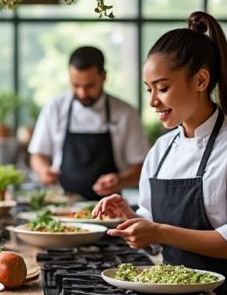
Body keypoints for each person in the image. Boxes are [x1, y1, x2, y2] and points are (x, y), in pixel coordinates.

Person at [93, 12, 227, 295]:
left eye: (162, 88)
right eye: (148, 88)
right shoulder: (162, 150)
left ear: (201, 81)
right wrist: (131, 220)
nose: (152, 100)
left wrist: (159, 232)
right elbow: (154, 242)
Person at [28, 46, 149, 200]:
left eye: (89, 86)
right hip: (64, 205)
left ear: (104, 76)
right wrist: (43, 171)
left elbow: (141, 168)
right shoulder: (55, 108)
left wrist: (120, 180)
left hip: (109, 208)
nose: (82, 93)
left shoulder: (125, 113)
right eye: (75, 85)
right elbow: (37, 155)